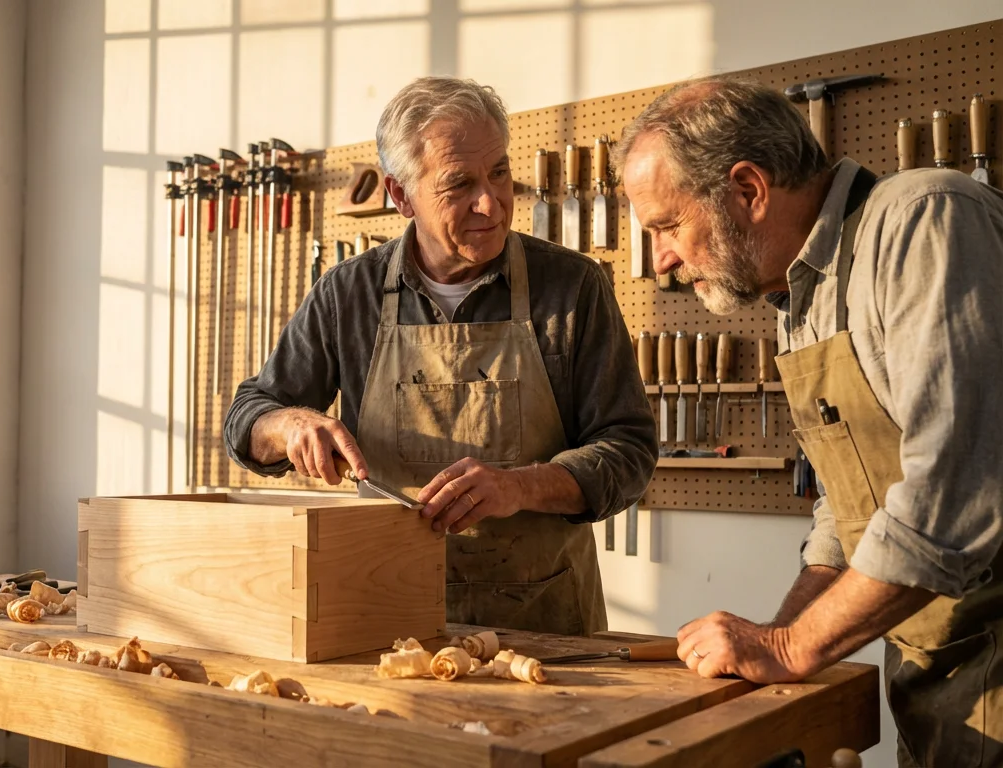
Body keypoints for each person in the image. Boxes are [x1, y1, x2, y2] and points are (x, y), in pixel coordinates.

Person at [616, 76, 1003, 765]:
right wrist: (778, 634)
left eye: (667, 226)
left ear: (748, 191)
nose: (662, 262)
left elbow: (953, 496)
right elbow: (847, 500)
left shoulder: (924, 224)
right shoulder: (801, 295)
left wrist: (793, 647)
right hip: (939, 671)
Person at [223, 76, 657, 636]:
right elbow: (247, 416)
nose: (491, 202)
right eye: (459, 184)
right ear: (401, 195)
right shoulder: (347, 294)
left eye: (499, 172)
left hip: (543, 626)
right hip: (384, 617)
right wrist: (288, 425)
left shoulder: (572, 287)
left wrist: (518, 486)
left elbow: (628, 453)